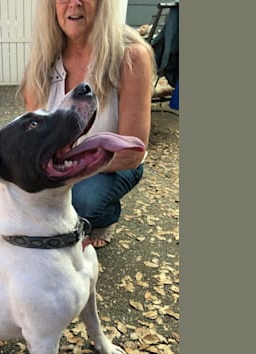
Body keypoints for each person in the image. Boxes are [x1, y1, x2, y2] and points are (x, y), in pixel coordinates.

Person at [18, 0, 156, 248]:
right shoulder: (42, 62)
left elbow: (132, 153)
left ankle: (105, 216)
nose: (74, 3)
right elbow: (34, 138)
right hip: (61, 164)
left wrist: (64, 172)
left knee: (81, 203)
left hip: (115, 163)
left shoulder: (131, 56)